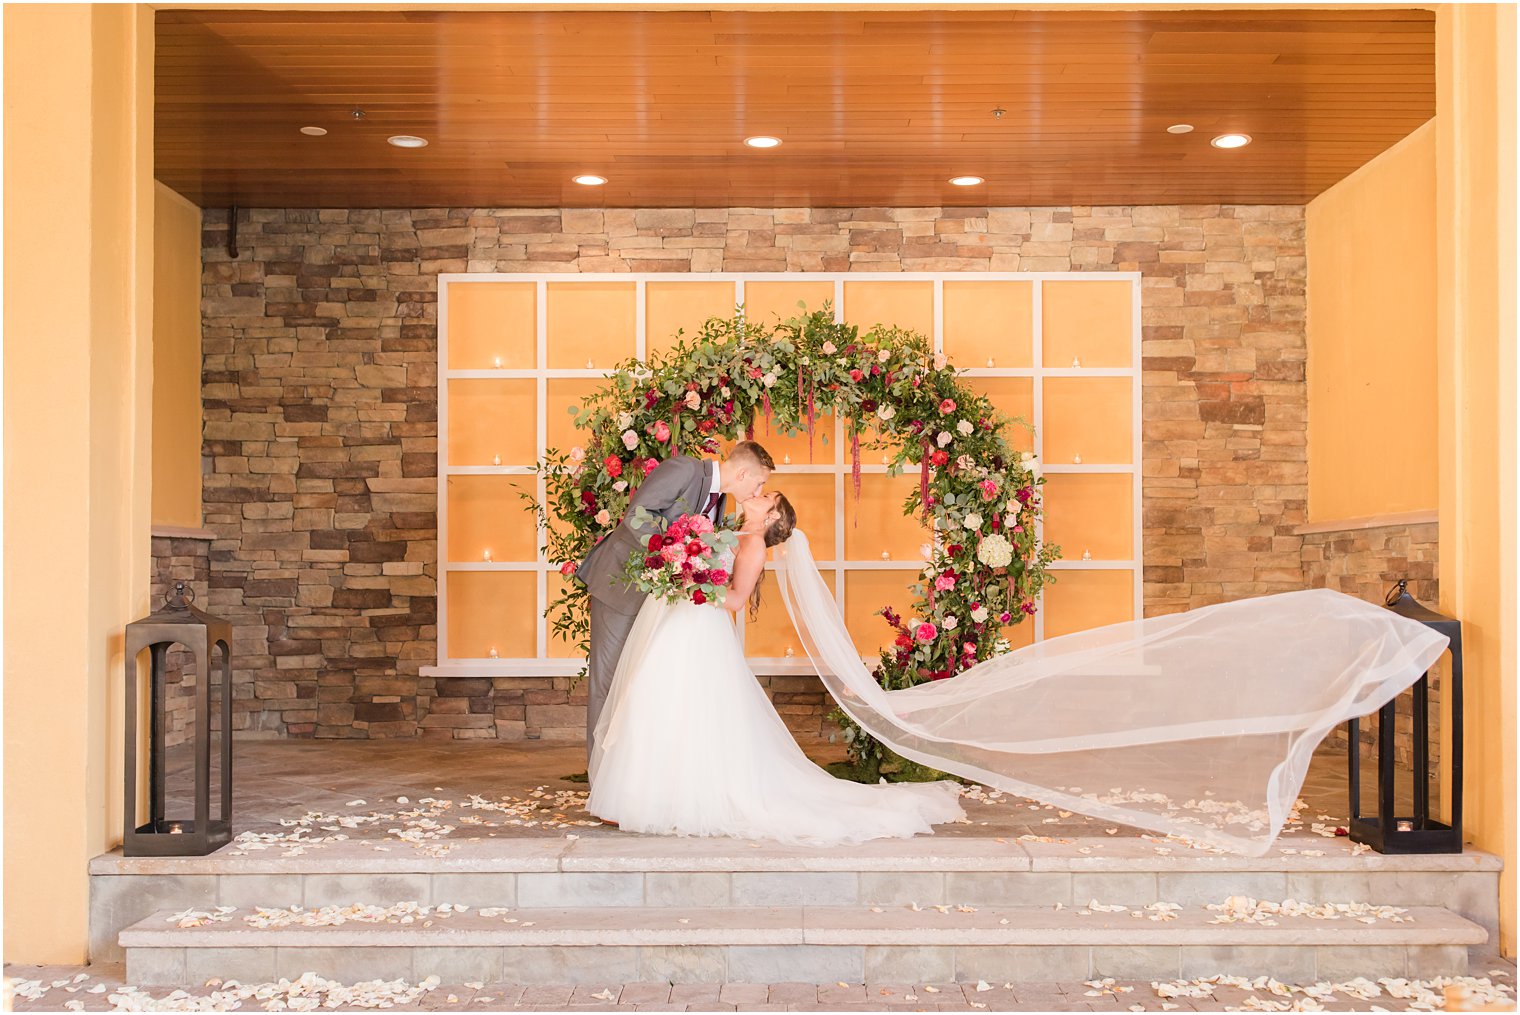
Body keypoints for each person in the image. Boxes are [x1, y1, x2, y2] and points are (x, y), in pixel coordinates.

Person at [586, 491, 966, 844]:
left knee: (690, 704)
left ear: (770, 516)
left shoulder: (753, 547)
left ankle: (679, 797)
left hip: (701, 626)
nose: (759, 493)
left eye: (767, 496)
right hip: (681, 618)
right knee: (659, 698)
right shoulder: (728, 528)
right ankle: (644, 795)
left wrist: (694, 581)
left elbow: (735, 599)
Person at [575, 440, 773, 768]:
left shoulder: (719, 500)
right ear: (742, 473)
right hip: (621, 588)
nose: (759, 489)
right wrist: (674, 552)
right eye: (759, 482)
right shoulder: (685, 469)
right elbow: (637, 516)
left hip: (654, 601)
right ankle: (600, 781)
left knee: (635, 685)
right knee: (608, 684)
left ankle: (626, 775)